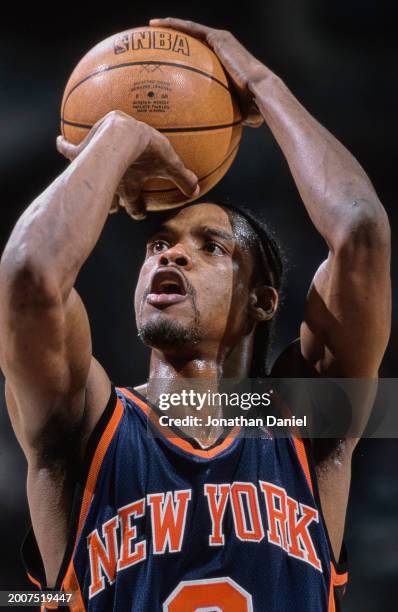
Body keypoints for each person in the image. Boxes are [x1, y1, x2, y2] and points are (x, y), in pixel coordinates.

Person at [0, 17, 390, 612]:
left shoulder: (305, 424)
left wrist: (260, 82)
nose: (172, 252)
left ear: (263, 300)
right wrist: (117, 136)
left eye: (212, 246)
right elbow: (29, 275)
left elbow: (361, 231)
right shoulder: (80, 425)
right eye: (157, 245)